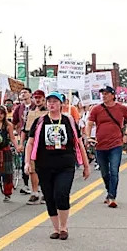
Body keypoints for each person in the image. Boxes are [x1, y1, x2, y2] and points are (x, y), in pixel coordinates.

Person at [24, 91, 89, 240]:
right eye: (49, 101)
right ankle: (56, 228)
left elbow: (79, 143)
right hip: (44, 165)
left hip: (65, 164)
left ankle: (64, 227)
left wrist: (86, 165)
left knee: (61, 193)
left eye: (55, 101)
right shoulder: (40, 121)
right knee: (49, 196)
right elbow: (30, 142)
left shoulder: (69, 120)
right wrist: (28, 162)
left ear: (61, 104)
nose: (51, 104)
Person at [85, 86, 127, 207]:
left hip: (116, 144)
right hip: (100, 145)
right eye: (102, 94)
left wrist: (126, 134)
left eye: (106, 93)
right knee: (105, 173)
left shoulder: (121, 108)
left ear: (112, 95)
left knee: (114, 171)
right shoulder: (96, 109)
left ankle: (112, 197)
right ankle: (109, 191)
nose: (104, 96)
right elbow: (89, 124)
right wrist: (88, 136)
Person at [0, 105, 19, 202]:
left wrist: (17, 147)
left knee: (7, 174)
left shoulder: (8, 125)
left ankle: (7, 193)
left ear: (4, 115)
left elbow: (12, 138)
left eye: (1, 114)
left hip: (5, 151)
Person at [23, 90, 48, 204]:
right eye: (36, 97)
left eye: (40, 97)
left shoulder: (48, 112)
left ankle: (45, 192)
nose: (38, 100)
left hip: (45, 144)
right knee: (32, 169)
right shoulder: (30, 113)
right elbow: (25, 129)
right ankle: (35, 192)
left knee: (45, 169)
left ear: (44, 99)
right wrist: (21, 143)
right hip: (32, 144)